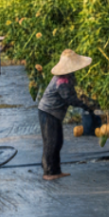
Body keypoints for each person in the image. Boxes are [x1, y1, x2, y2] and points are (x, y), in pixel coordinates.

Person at [37, 48, 93, 180]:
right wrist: (86, 105)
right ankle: (48, 172)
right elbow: (70, 99)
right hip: (48, 113)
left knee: (58, 141)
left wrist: (86, 99)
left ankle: (56, 170)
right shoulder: (61, 81)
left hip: (54, 114)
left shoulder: (68, 76)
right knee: (51, 142)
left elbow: (73, 94)